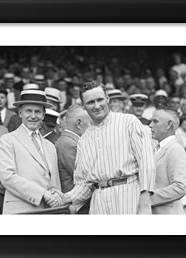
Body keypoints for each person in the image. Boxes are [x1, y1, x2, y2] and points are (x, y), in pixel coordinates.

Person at [58, 81, 156, 214]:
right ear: (83, 106)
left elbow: (147, 164)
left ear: (107, 99)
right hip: (98, 201)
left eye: (100, 100)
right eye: (91, 102)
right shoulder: (84, 140)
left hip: (128, 195)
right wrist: (67, 197)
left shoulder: (129, 122)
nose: (97, 106)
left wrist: (145, 205)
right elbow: (85, 184)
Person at [0, 89, 62, 214]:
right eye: (28, 111)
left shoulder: (50, 146)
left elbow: (55, 182)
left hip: (48, 211)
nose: (33, 116)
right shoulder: (7, 140)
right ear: (20, 113)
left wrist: (56, 197)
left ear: (43, 115)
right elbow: (8, 177)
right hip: (21, 210)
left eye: (37, 112)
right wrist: (43, 194)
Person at [149, 108, 186, 214]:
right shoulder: (156, 148)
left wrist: (147, 198)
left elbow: (180, 187)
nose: (150, 125)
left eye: (155, 121)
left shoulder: (175, 149)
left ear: (168, 125)